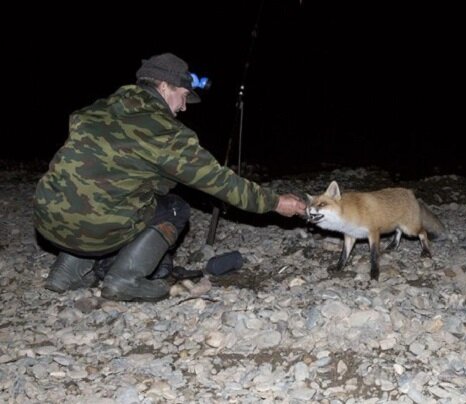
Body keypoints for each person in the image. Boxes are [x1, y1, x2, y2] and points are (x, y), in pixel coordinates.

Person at [33, 52, 306, 302]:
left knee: (96, 195)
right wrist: (275, 202)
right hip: (93, 229)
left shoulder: (96, 110)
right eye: (184, 95)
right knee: (175, 208)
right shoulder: (165, 132)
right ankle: (125, 280)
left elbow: (89, 174)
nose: (185, 107)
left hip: (47, 218)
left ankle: (65, 271)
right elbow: (220, 181)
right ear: (164, 87)